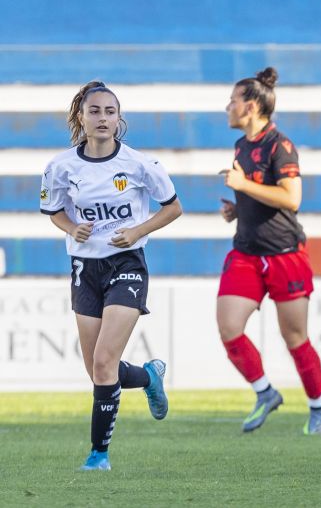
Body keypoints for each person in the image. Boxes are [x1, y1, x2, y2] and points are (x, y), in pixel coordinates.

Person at [40, 81, 182, 471]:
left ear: (119, 119)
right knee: (99, 370)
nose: (102, 118)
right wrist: (71, 228)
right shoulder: (60, 167)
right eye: (95, 111)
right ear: (81, 118)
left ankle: (98, 455)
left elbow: (173, 208)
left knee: (104, 360)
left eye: (110, 111)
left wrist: (137, 231)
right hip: (85, 270)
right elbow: (54, 211)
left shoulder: (141, 165)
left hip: (127, 266)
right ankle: (150, 376)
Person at [217, 67, 321, 435]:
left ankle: (319, 408)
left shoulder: (280, 145)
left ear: (250, 106)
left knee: (294, 337)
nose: (226, 108)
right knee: (229, 326)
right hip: (247, 252)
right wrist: (237, 209)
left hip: (284, 253)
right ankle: (265, 392)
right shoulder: (241, 146)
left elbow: (292, 199)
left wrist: (244, 185)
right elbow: (259, 196)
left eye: (232, 101)